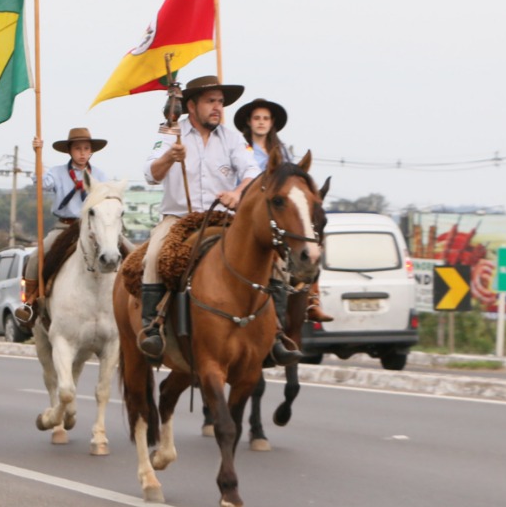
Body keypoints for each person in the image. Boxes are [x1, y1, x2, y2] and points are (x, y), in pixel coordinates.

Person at [138, 76, 305, 363]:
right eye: (210, 101)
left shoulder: (231, 138)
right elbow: (149, 175)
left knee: (276, 260)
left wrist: (239, 193)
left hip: (224, 219)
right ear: (191, 105)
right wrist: (169, 158)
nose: (218, 107)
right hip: (179, 219)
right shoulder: (169, 134)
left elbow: (253, 173)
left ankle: (276, 333)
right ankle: (152, 327)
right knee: (152, 255)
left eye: (220, 102)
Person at [234, 98, 332, 326]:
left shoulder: (283, 151)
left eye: (265, 118)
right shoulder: (240, 148)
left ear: (272, 123)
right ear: (249, 122)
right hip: (247, 211)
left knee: (309, 242)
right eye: (257, 118)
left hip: (277, 213)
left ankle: (311, 301)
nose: (261, 122)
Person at [17, 127, 110, 326]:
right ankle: (30, 303)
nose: (83, 153)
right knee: (35, 257)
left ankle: (130, 300)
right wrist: (37, 155)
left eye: (86, 148)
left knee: (128, 251)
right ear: (69, 151)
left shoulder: (100, 175)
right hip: (65, 226)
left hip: (93, 227)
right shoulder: (57, 172)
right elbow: (42, 184)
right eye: (78, 148)